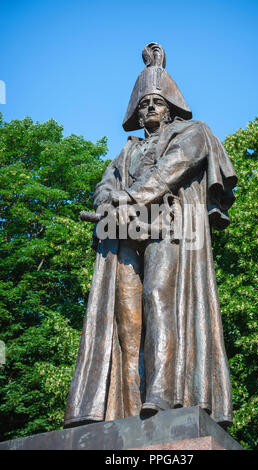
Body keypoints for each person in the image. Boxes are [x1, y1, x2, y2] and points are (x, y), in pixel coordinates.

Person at [64, 42, 237, 428]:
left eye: (156, 101)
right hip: (127, 234)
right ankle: (122, 405)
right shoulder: (128, 151)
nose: (149, 109)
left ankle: (162, 392)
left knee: (158, 295)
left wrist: (129, 195)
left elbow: (173, 169)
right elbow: (104, 185)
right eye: (143, 104)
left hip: (172, 228)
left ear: (171, 104)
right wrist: (109, 200)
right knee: (125, 317)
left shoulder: (194, 132)